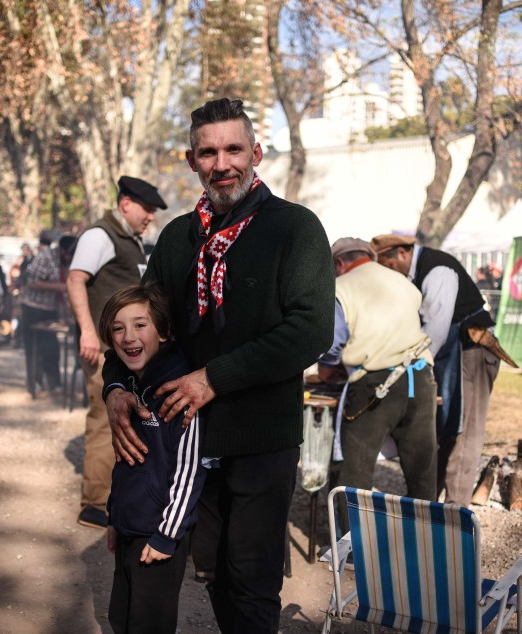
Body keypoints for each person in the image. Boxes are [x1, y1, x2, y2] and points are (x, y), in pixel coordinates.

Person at [103, 98, 334, 631]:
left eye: (234, 149)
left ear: (256, 152)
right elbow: (137, 327)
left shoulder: (294, 228)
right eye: (208, 152)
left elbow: (310, 332)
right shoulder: (177, 238)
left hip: (259, 436)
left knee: (251, 580)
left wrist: (213, 378)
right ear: (191, 160)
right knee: (208, 572)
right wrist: (114, 387)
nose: (222, 163)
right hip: (185, 442)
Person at [99, 284, 206, 634]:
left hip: (159, 534)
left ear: (163, 330)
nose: (129, 336)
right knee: (122, 619)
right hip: (130, 525)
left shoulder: (180, 391)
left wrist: (167, 535)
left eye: (140, 324)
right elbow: (125, 460)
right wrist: (115, 516)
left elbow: (189, 471)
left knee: (150, 625)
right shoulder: (129, 387)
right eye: (118, 328)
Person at [369, 233, 502, 507]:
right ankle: (429, 500)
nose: (389, 274)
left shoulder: (437, 269)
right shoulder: (414, 275)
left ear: (402, 254)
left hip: (472, 351)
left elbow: (435, 331)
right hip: (450, 356)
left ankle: (455, 508)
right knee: (442, 428)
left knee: (464, 429)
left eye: (389, 266)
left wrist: (407, 369)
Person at [66, 175, 167, 530]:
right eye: (147, 210)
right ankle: (94, 505)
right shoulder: (99, 236)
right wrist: (89, 332)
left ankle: (117, 499)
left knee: (125, 421)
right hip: (103, 349)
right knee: (102, 420)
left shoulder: (132, 240)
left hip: (125, 351)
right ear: (126, 204)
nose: (150, 217)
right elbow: (75, 279)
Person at [317, 238, 437, 513]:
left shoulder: (342, 287)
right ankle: (430, 543)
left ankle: (352, 548)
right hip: (419, 376)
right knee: (422, 469)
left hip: (376, 383)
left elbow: (333, 342)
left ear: (338, 263)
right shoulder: (403, 282)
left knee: (354, 469)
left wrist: (325, 370)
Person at [20, 233, 75, 396]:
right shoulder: (45, 257)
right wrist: (57, 287)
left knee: (51, 347)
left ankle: (54, 383)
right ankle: (35, 383)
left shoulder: (67, 262)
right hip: (32, 308)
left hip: (51, 310)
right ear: (62, 250)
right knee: (33, 348)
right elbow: (32, 282)